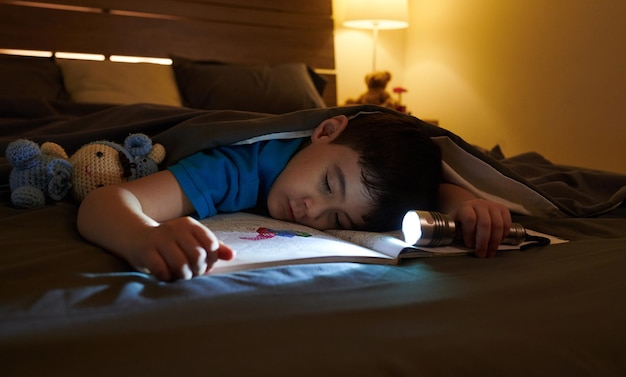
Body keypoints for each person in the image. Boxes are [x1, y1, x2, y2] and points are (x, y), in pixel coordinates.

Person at [77, 112, 512, 281]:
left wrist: (462, 206)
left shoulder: (356, 184)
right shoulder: (233, 168)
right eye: (327, 185)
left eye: (339, 221)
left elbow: (434, 186)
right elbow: (104, 204)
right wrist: (141, 239)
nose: (313, 212)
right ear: (324, 131)